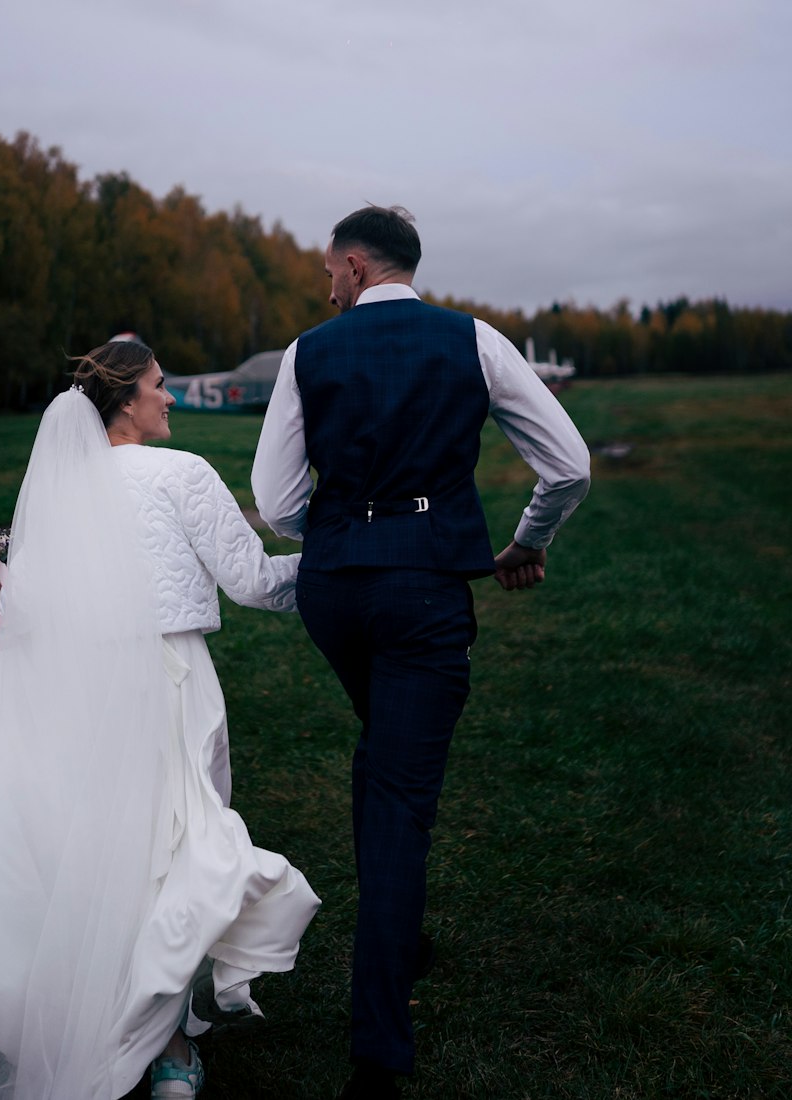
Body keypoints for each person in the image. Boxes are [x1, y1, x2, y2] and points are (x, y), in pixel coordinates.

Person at [0, 338, 319, 1100]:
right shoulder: (183, 473)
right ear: (126, 401)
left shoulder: (63, 485)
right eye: (160, 387)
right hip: (169, 681)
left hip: (82, 686)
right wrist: (337, 557)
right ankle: (165, 1052)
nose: (170, 398)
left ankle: (144, 1036)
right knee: (172, 850)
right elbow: (256, 583)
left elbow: (35, 602)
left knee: (109, 856)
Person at [252, 205, 590, 1099]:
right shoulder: (474, 340)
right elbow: (569, 465)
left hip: (335, 594)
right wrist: (522, 542)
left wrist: (335, 530)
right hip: (425, 594)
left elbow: (276, 500)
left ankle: (404, 940)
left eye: (330, 270)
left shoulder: (306, 353)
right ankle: (379, 1054)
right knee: (402, 798)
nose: (325, 286)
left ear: (358, 267)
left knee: (383, 759)